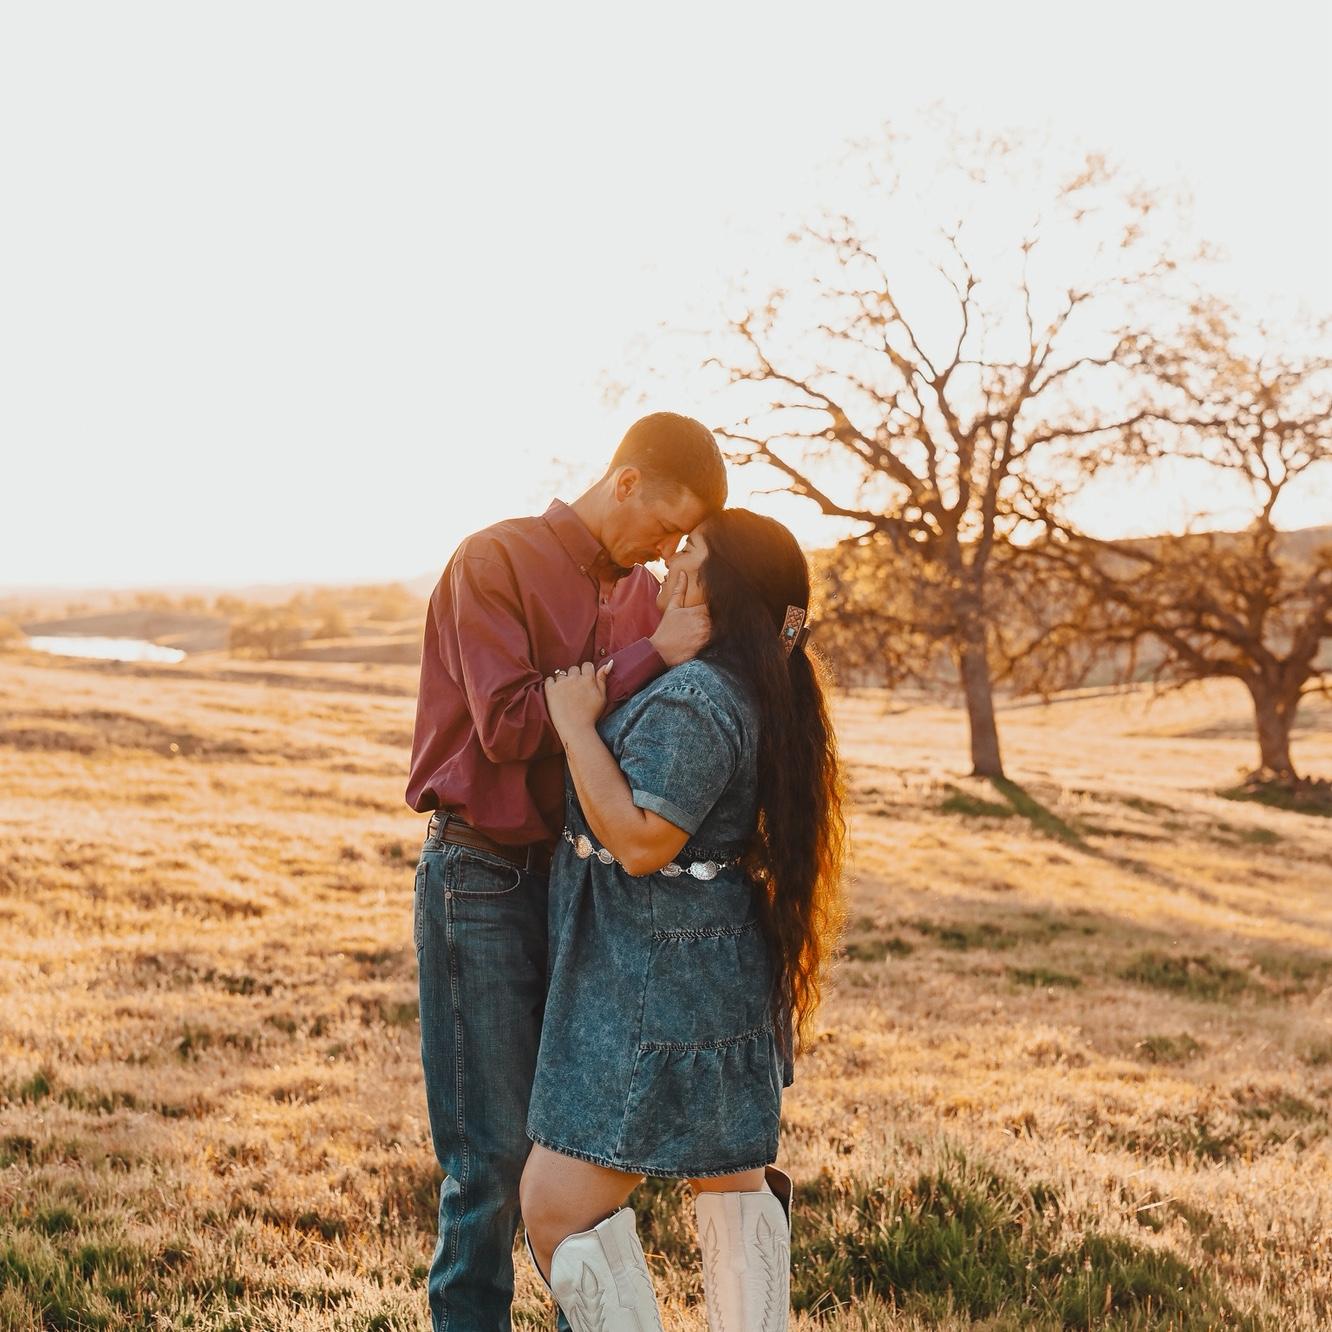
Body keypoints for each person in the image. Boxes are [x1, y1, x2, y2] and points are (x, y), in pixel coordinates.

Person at [406, 413, 728, 1331]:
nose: (664, 549)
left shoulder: (648, 600)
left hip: (582, 888)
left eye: (681, 540)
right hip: (480, 877)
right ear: (624, 481)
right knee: (490, 1160)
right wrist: (652, 654)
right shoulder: (495, 561)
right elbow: (509, 725)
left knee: (574, 1149)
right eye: (664, 524)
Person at [519, 508, 846, 1332]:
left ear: (716, 580)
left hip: (658, 981)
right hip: (707, 970)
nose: (668, 564)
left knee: (556, 1207)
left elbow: (639, 842)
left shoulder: (697, 700)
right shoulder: (741, 684)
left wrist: (574, 725)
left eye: (687, 551)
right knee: (733, 1190)